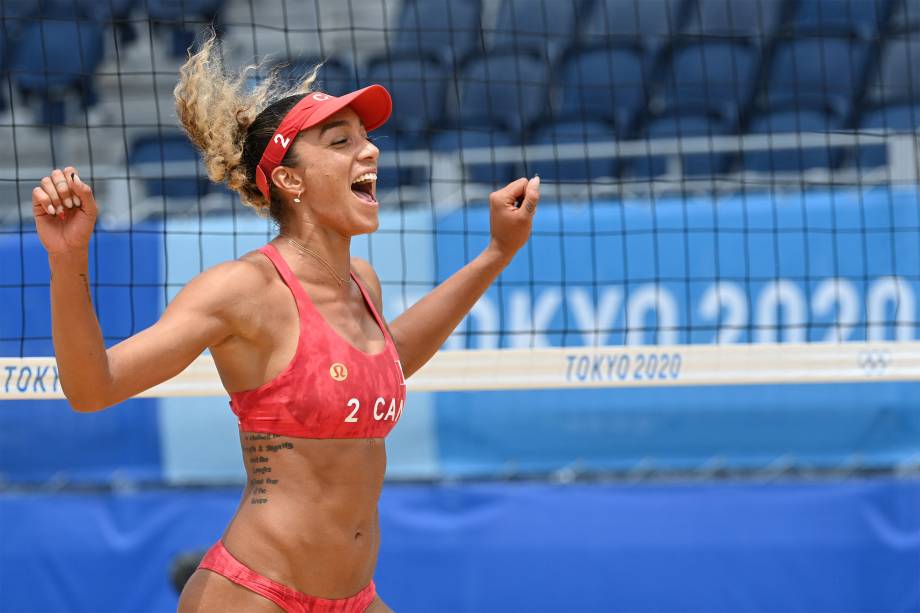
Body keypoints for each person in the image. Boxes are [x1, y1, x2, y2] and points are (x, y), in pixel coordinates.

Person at [31, 33, 540, 613]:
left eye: (366, 137)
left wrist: (496, 253)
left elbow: (388, 358)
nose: (369, 151)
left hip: (354, 598)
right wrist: (68, 258)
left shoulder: (361, 284)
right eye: (341, 141)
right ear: (290, 181)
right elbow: (92, 387)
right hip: (254, 595)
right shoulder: (244, 290)